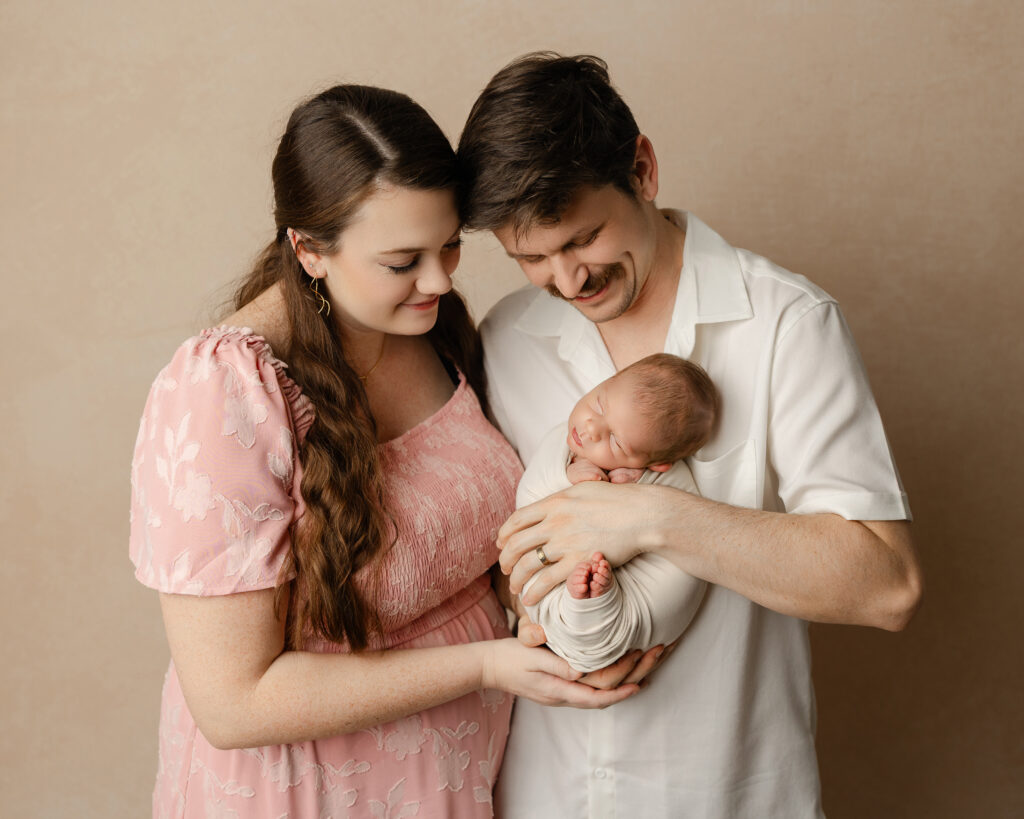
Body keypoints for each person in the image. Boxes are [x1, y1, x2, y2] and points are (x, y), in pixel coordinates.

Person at [128, 84, 640, 819]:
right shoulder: (223, 392)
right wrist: (489, 663)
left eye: (450, 245)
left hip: (457, 780)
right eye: (404, 261)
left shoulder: (425, 324)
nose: (440, 279)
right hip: (308, 794)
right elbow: (233, 703)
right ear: (309, 249)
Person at [457, 53, 923, 817]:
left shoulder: (786, 325)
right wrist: (541, 617)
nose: (567, 280)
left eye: (582, 240)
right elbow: (495, 559)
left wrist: (655, 516)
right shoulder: (507, 335)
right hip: (544, 789)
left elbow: (887, 585)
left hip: (724, 790)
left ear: (642, 168)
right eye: (531, 258)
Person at [517, 353, 718, 673]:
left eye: (616, 441)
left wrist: (628, 490)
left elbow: (678, 511)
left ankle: (593, 595)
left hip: (631, 616)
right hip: (546, 608)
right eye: (598, 405)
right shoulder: (561, 445)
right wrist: (567, 476)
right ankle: (586, 596)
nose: (591, 428)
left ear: (655, 465)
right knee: (570, 619)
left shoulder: (668, 480)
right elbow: (529, 496)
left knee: (595, 626)